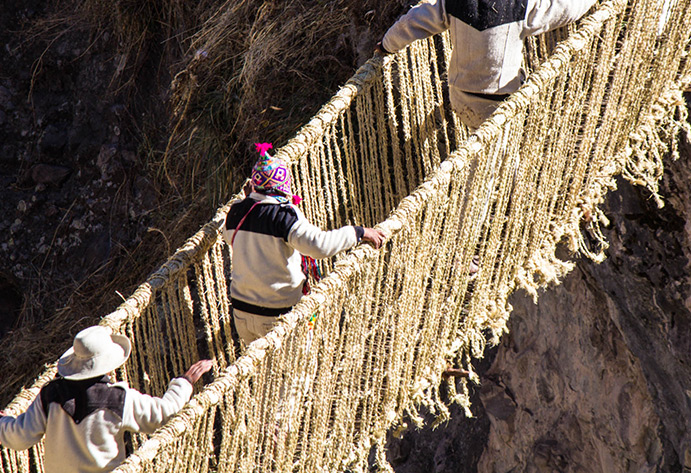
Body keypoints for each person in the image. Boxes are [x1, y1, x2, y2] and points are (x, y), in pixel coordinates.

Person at [222, 143, 386, 345]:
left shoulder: (236, 212)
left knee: (259, 373)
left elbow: (233, 237)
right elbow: (318, 246)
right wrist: (358, 232)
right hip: (279, 317)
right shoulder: (284, 215)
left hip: (242, 314)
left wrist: (250, 200)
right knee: (298, 373)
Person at [0, 325, 213, 473]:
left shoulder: (50, 395)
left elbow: (19, 436)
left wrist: (2, 422)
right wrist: (184, 382)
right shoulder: (119, 398)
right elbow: (164, 415)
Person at [376, 0, 598, 129]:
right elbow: (566, 9)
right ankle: (499, 203)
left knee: (476, 143)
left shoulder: (452, 1)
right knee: (498, 160)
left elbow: (412, 22)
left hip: (459, 95)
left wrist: (387, 45)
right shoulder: (521, 6)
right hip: (498, 104)